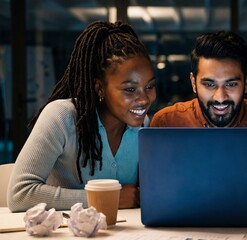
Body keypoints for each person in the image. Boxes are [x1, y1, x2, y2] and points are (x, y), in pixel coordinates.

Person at [7, 21, 156, 212]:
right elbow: (20, 195)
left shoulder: (143, 125)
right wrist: (107, 199)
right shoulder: (62, 117)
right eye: (130, 89)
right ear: (99, 87)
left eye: (150, 86)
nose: (143, 99)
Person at [150, 31, 247, 128]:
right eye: (209, 84)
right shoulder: (166, 123)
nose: (220, 97)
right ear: (193, 82)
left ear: (246, 82)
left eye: (231, 84)